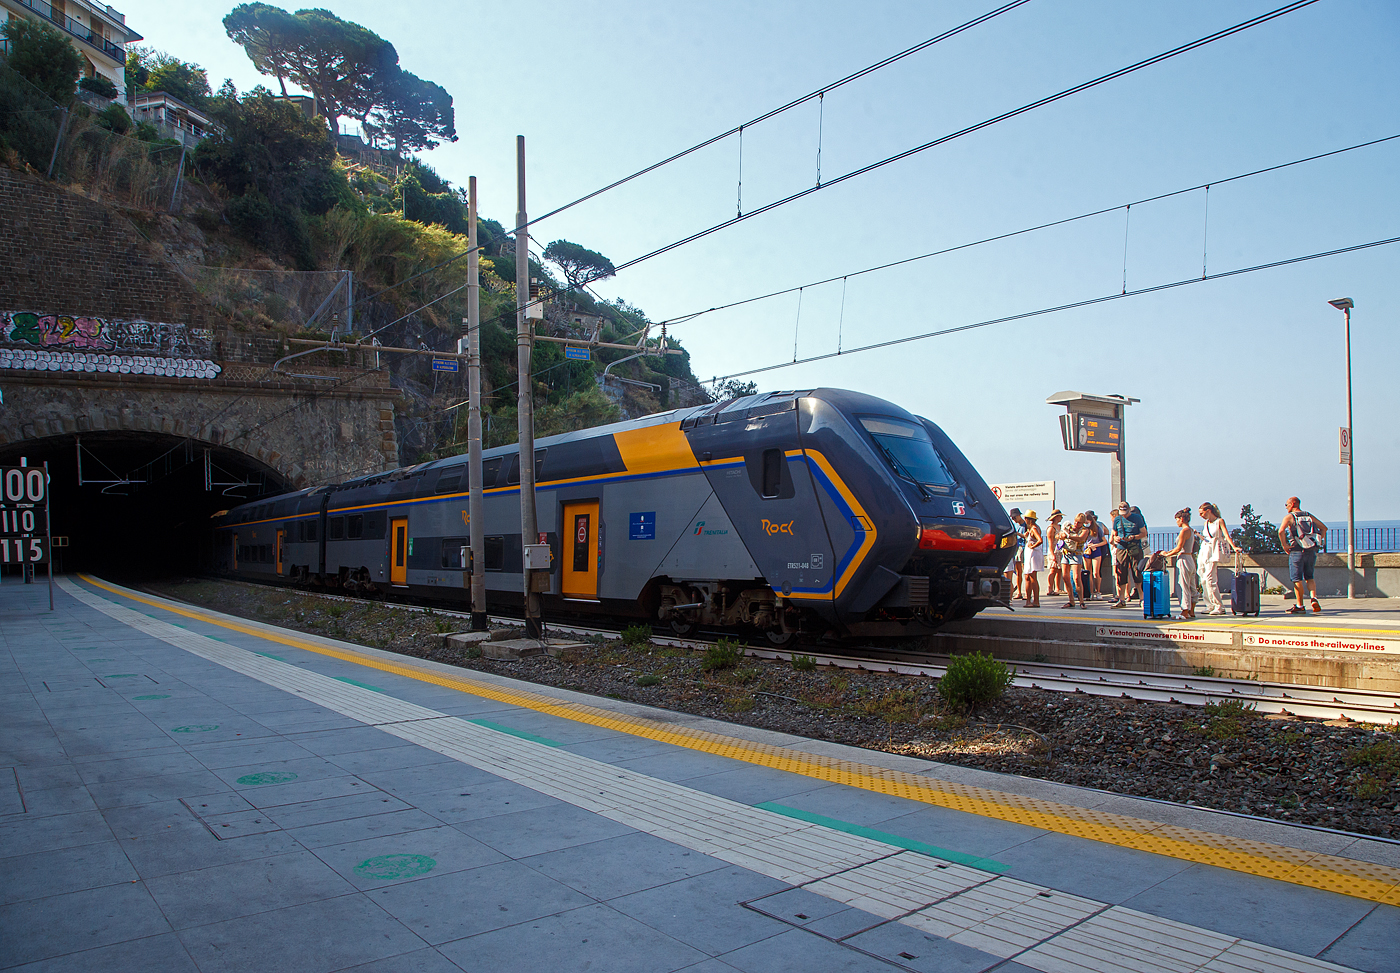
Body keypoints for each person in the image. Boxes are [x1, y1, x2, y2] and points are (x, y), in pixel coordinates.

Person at [1278, 497, 1328, 614]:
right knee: (1309, 576)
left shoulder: (1290, 517)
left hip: (1296, 551)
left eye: (1287, 504)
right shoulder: (1308, 515)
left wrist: (1285, 545)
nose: (1286, 507)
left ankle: (1300, 606)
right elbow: (1324, 528)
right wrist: (1318, 542)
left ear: (1292, 504)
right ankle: (1313, 598)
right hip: (1311, 551)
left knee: (1297, 579)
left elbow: (1281, 531)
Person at [1197, 502, 1236, 616]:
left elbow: (1226, 535)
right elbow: (1206, 538)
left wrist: (1234, 547)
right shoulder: (1206, 523)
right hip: (1204, 550)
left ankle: (1218, 605)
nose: (1201, 515)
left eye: (1202, 513)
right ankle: (1209, 604)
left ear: (1208, 511)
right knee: (1203, 578)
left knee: (1210, 579)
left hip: (1212, 551)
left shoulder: (1219, 521)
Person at [1159, 508, 1198, 619]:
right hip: (1190, 558)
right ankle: (1192, 610)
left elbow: (1178, 548)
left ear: (1181, 519)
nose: (1176, 522)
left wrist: (1166, 554)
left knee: (1183, 585)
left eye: (1177, 520)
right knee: (1192, 585)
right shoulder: (1190, 530)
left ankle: (1184, 611)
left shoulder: (1184, 531)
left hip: (1183, 559)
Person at [1109, 500, 1148, 608]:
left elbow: (1144, 533)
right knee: (1121, 572)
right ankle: (1122, 599)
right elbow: (1113, 534)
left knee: (1137, 572)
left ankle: (1142, 598)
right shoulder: (1117, 519)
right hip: (1121, 548)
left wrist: (1134, 537)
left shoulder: (1137, 518)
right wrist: (1115, 539)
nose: (1124, 516)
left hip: (1134, 547)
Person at [1059, 512, 1090, 609]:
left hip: (1077, 554)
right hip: (1066, 553)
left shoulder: (1085, 530)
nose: (1076, 524)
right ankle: (1071, 600)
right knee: (1065, 577)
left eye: (1079, 523)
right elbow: (1058, 535)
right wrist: (1061, 535)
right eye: (1076, 522)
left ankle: (1081, 600)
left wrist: (1068, 536)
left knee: (1077, 577)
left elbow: (1081, 539)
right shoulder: (1069, 527)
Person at [1084, 510, 1110, 599]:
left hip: (1096, 550)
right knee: (1088, 572)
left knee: (1096, 572)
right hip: (1086, 550)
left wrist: (1095, 545)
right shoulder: (1083, 529)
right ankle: (1090, 592)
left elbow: (1104, 541)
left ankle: (1098, 591)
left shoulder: (1098, 528)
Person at [1021, 510, 1044, 607]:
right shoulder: (1034, 528)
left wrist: (1032, 546)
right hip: (1032, 554)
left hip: (1033, 554)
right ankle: (1031, 600)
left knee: (1032, 577)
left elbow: (1040, 540)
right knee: (1029, 576)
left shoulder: (1034, 528)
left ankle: (1035, 601)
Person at [1006, 508, 1026, 601]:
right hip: (1016, 549)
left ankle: (1023, 591)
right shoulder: (1015, 525)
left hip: (1023, 547)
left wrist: (1017, 534)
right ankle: (1019, 591)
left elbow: (1027, 536)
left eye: (1014, 517)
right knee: (1018, 572)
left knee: (1024, 571)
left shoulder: (1025, 525)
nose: (1014, 519)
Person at [1045, 510, 1064, 596]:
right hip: (1054, 550)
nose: (1061, 518)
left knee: (1059, 569)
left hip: (1059, 550)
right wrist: (1052, 554)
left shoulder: (1059, 527)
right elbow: (1050, 542)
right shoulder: (1051, 528)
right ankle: (1050, 588)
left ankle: (1057, 587)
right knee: (1053, 569)